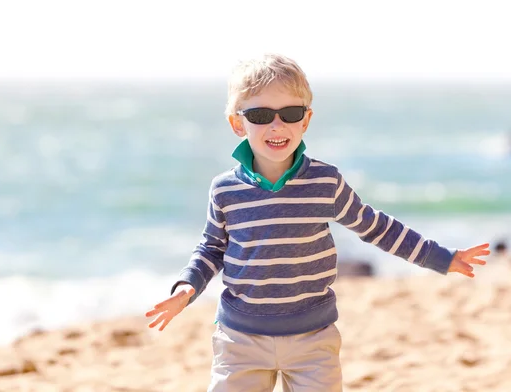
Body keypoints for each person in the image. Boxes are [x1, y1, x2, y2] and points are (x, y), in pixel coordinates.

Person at [145, 53, 490, 392]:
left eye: (290, 114)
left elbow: (375, 227)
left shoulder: (325, 183)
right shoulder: (225, 189)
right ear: (238, 124)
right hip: (240, 339)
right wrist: (186, 289)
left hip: (313, 338)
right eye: (261, 115)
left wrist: (441, 258)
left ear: (305, 120)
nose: (277, 126)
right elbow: (211, 248)